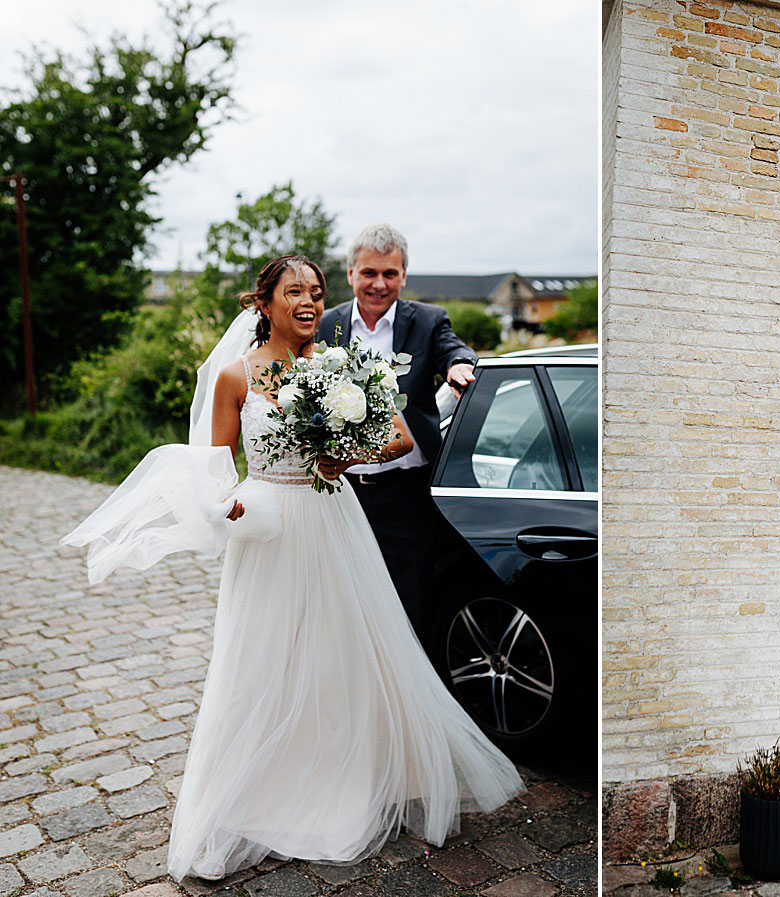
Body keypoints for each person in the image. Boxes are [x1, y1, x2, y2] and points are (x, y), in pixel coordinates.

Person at [63, 256, 523, 882]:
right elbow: (215, 468)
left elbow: (399, 440)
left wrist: (341, 452)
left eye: (316, 292)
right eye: (294, 291)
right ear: (265, 303)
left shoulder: (344, 366)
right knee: (263, 657)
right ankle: (255, 790)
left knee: (339, 652)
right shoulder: (234, 377)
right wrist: (231, 506)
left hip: (333, 520)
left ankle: (342, 774)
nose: (309, 301)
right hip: (269, 529)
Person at [316, 224, 477, 641]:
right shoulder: (325, 324)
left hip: (408, 493)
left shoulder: (427, 320)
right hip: (341, 493)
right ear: (351, 273)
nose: (379, 284)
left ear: (404, 276)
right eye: (369, 273)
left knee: (410, 601)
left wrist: (459, 363)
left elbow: (453, 348)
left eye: (390, 273)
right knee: (343, 597)